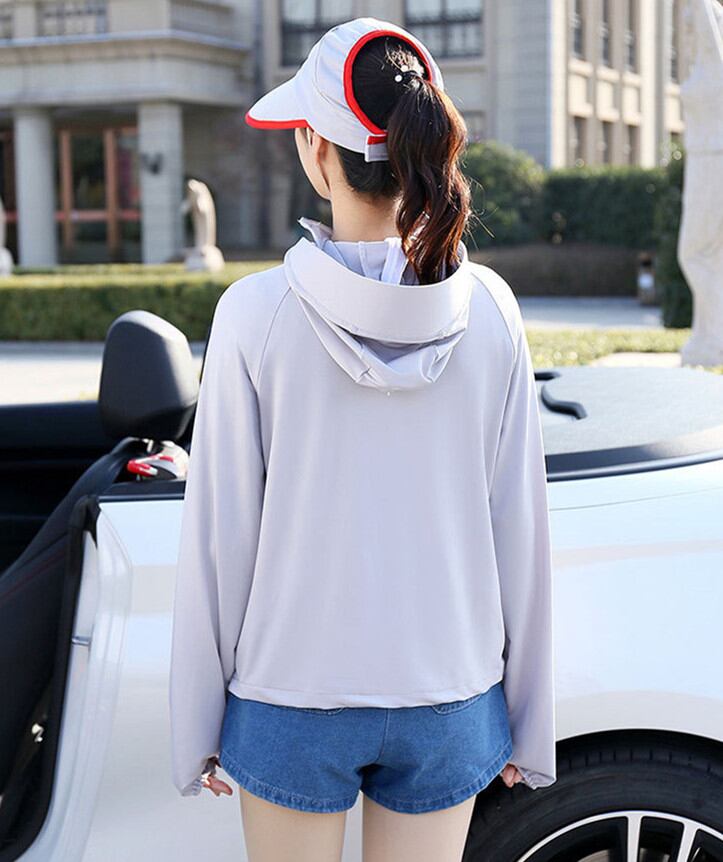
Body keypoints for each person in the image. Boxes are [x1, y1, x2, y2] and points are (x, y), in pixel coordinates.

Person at [169, 16, 557, 862]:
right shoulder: (492, 308)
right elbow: (519, 525)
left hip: (290, 691)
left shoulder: (253, 314)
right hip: (450, 693)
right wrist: (530, 725)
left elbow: (220, 538)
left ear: (316, 151)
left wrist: (194, 727)